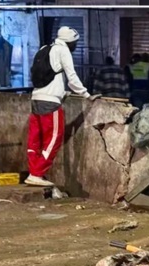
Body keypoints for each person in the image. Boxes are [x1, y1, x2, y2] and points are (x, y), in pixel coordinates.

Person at [26, 26, 98, 187]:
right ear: (69, 42)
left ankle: (33, 172)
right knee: (54, 139)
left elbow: (50, 75)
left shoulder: (45, 49)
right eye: (75, 43)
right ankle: (37, 174)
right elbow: (72, 77)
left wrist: (61, 91)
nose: (76, 46)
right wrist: (86, 94)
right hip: (50, 103)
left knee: (34, 140)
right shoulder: (63, 50)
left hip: (36, 98)